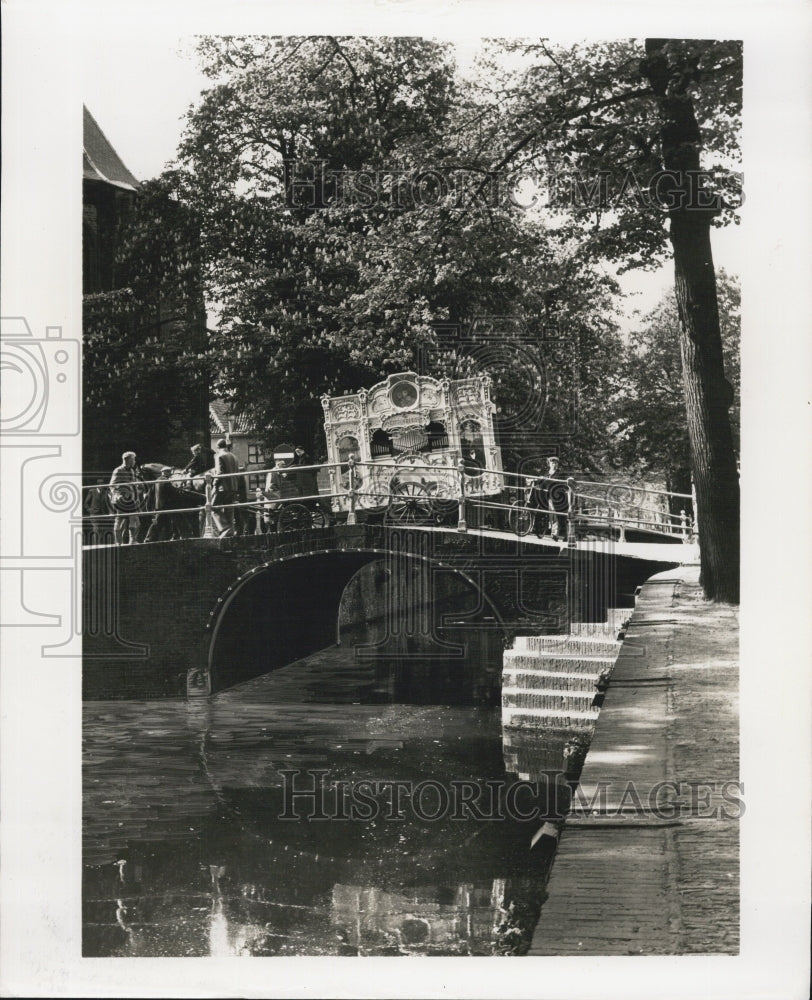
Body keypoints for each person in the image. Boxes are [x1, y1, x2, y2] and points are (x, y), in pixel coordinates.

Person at [144, 467, 192, 542]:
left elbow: (150, 494)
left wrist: (150, 507)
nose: (170, 474)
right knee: (180, 520)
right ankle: (186, 537)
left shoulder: (157, 481)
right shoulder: (165, 481)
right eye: (169, 472)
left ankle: (148, 539)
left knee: (158, 523)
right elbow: (172, 492)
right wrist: (180, 490)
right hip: (168, 505)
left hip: (160, 506)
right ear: (166, 472)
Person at [109, 451, 144, 545]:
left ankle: (132, 540)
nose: (135, 461)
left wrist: (137, 498)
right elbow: (112, 485)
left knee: (135, 520)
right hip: (121, 499)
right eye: (133, 459)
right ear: (127, 460)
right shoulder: (118, 470)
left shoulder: (132, 471)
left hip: (132, 499)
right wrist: (119, 495)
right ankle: (118, 542)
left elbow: (134, 485)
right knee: (119, 520)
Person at [537, 455, 569, 540]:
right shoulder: (547, 473)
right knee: (542, 510)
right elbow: (541, 484)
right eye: (552, 462)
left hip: (556, 496)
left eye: (556, 463)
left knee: (554, 513)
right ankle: (540, 528)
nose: (554, 464)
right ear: (549, 464)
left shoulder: (560, 474)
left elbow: (561, 484)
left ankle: (555, 533)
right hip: (546, 496)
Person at [212, 439, 239, 537]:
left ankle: (225, 528)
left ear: (218, 447)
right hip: (233, 487)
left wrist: (214, 484)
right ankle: (230, 532)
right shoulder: (234, 457)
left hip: (223, 488)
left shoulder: (219, 456)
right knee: (229, 510)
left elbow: (219, 473)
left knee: (213, 507)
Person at [83, 478, 113, 544]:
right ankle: (95, 545)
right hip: (94, 515)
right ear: (97, 484)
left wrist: (110, 512)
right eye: (99, 484)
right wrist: (90, 510)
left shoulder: (105, 493)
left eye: (102, 484)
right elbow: (86, 503)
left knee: (102, 531)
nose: (101, 485)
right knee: (96, 529)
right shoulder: (92, 491)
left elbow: (108, 503)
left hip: (102, 515)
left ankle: (100, 545)